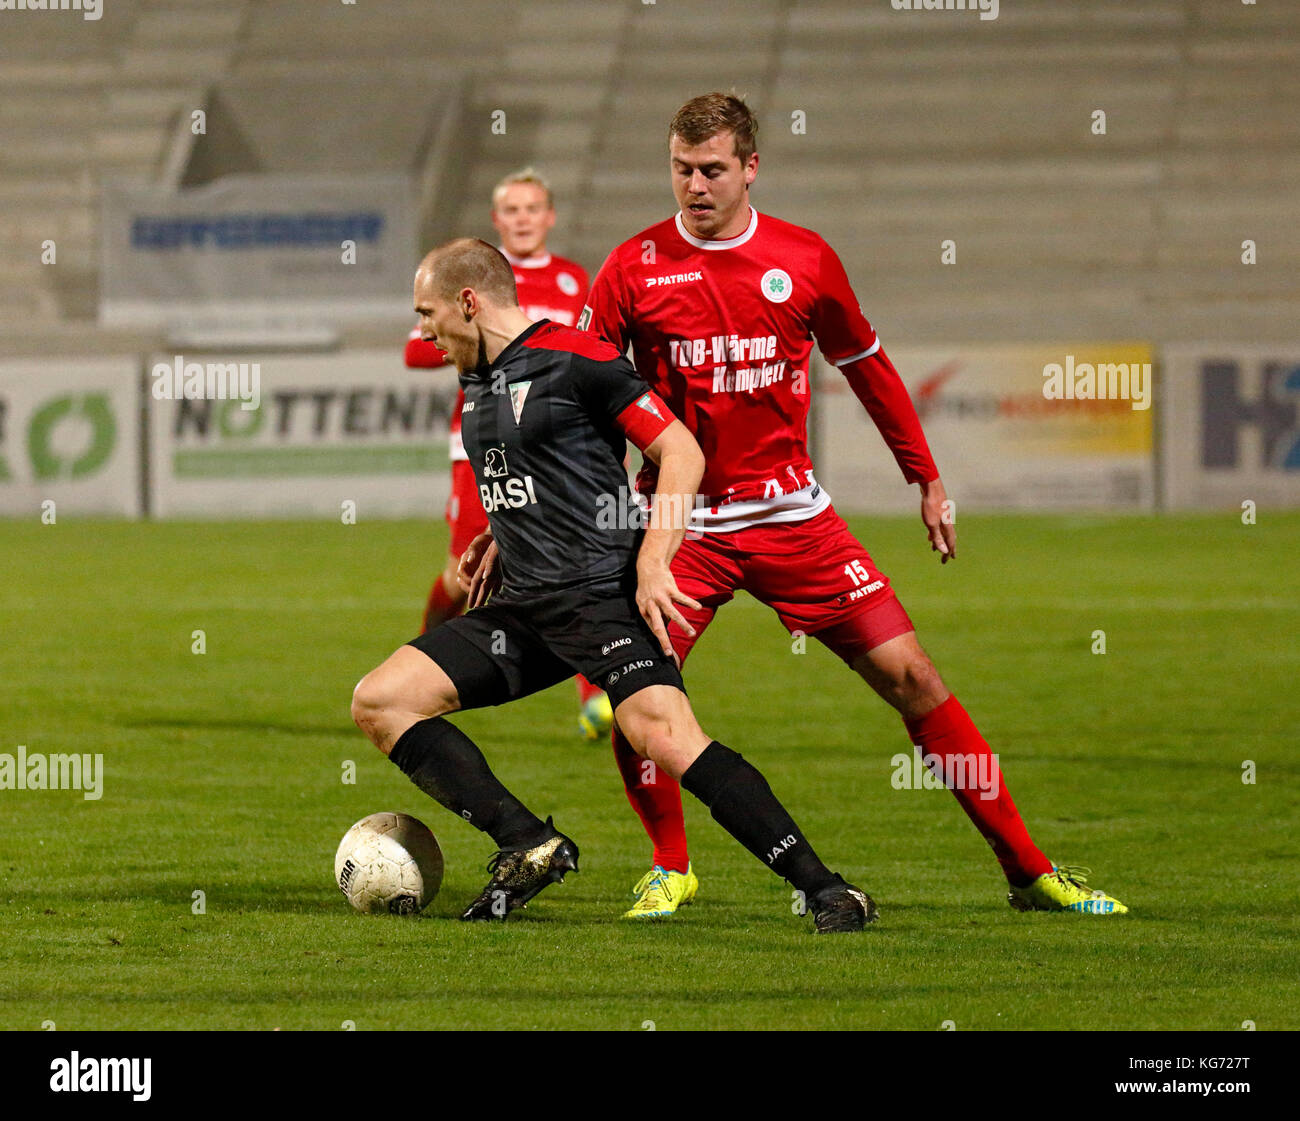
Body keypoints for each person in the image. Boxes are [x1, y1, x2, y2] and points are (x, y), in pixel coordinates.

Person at [566, 92, 1127, 919]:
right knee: (638, 696)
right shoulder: (632, 267)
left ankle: (1030, 869)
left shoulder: (805, 259)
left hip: (795, 518)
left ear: (751, 167)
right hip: (683, 526)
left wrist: (925, 478)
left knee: (916, 677)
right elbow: (581, 391)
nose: (695, 185)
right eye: (682, 169)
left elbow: (866, 364)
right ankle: (670, 864)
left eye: (713, 169)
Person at [351, 238, 874, 932]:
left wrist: (656, 559)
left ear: (468, 302)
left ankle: (828, 889)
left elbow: (680, 450)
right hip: (523, 607)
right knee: (381, 700)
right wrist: (499, 535)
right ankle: (528, 841)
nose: (423, 331)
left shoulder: (579, 358)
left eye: (428, 312)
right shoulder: (478, 380)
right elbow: (538, 475)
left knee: (663, 734)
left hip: (600, 597)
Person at [404, 168, 613, 741]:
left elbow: (594, 349)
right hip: (482, 443)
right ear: (498, 221)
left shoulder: (575, 281)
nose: (522, 218)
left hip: (551, 444)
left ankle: (596, 695)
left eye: (532, 208)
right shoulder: (471, 276)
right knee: (465, 572)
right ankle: (422, 653)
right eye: (512, 210)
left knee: (571, 558)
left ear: (549, 216)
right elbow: (416, 351)